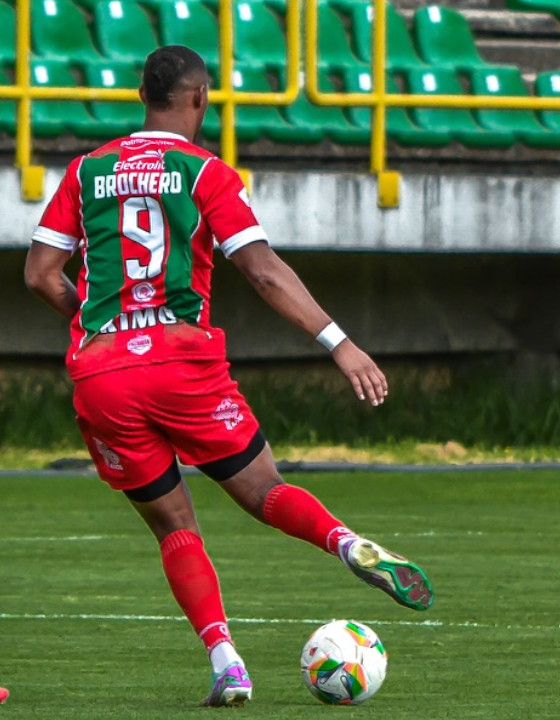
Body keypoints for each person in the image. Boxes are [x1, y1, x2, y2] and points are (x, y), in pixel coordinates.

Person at [23, 46, 433, 706]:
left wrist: (96, 324)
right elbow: (263, 271)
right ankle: (346, 542)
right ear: (200, 98)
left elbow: (39, 275)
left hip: (104, 375)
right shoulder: (207, 172)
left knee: (174, 525)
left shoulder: (86, 170)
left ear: (142, 95)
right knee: (263, 489)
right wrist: (340, 343)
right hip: (183, 367)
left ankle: (227, 661)